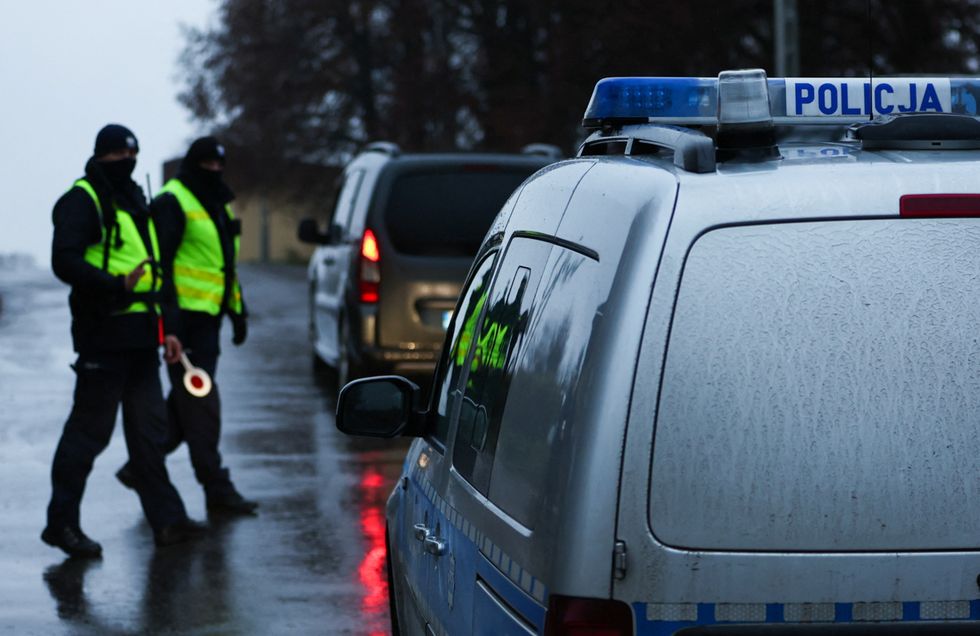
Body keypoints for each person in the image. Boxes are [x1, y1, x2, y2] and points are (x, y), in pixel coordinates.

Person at [43, 124, 206, 558]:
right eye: (116, 154)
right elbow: (64, 260)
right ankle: (61, 525)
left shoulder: (136, 200)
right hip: (103, 336)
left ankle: (168, 521)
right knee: (88, 434)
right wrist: (115, 283)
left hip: (142, 339)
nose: (125, 160)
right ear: (100, 156)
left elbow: (158, 272)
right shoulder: (82, 199)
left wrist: (169, 329)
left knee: (149, 433)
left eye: (131, 153)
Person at [117, 136, 258, 515]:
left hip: (207, 321)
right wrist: (171, 327)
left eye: (218, 165)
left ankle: (140, 467)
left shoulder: (215, 204)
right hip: (183, 324)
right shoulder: (172, 201)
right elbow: (160, 269)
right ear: (193, 165)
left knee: (188, 405)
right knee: (200, 406)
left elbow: (223, 266)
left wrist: (237, 311)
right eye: (207, 165)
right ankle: (216, 487)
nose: (213, 171)